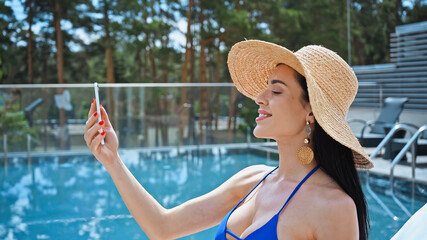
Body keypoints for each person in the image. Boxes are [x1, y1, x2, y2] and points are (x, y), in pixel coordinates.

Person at [84, 40, 374, 240]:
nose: (259, 99)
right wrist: (113, 161)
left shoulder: (334, 207)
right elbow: (163, 227)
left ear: (310, 110)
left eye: (276, 91)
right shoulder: (252, 180)